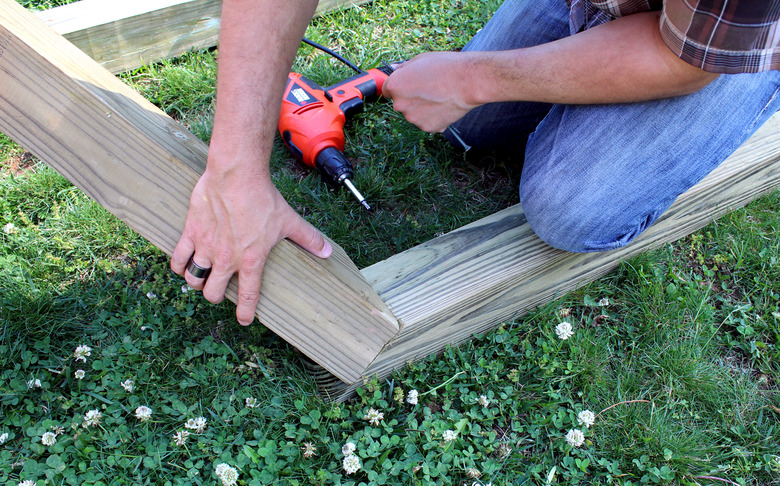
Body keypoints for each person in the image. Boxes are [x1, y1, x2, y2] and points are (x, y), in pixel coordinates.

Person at [170, 0, 780, 326]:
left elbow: (682, 61)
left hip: (716, 39)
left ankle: (760, 81)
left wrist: (470, 77)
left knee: (570, 207)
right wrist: (235, 170)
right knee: (471, 128)